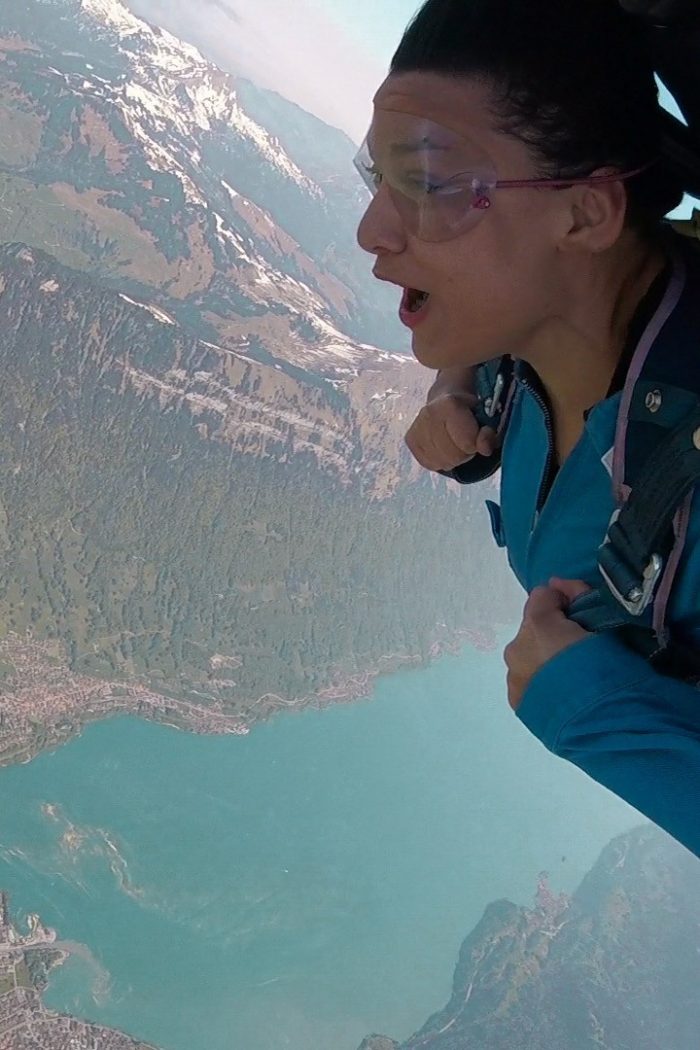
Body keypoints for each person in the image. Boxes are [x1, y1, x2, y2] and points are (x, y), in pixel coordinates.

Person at [354, 0, 700, 856]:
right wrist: (458, 380)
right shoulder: (543, 340)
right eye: (377, 176)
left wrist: (594, 712)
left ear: (584, 216)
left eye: (430, 185)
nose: (372, 231)